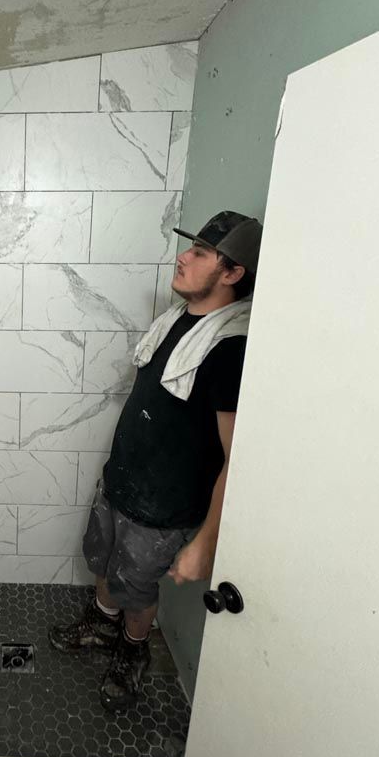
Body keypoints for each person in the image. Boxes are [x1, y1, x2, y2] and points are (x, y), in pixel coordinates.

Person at [50, 211, 263, 712]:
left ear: (232, 273)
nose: (183, 257)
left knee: (137, 588)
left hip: (165, 504)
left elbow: (237, 459)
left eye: (201, 254)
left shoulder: (229, 349)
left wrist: (205, 545)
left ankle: (132, 649)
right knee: (101, 560)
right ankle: (102, 626)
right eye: (190, 247)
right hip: (123, 480)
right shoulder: (177, 321)